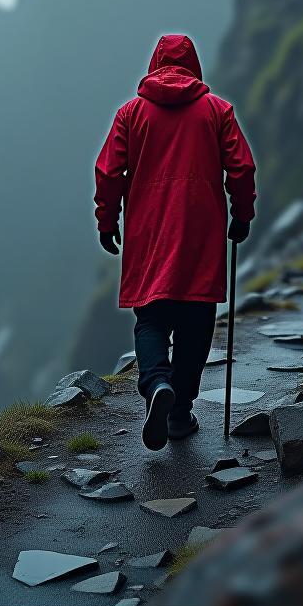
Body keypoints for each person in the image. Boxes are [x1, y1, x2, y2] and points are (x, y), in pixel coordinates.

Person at [94, 33, 257, 450]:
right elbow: (241, 168)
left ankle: (156, 385)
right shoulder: (217, 111)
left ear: (154, 65)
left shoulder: (131, 114)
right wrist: (242, 216)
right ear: (194, 66)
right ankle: (180, 412)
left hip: (149, 231)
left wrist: (107, 221)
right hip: (200, 229)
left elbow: (110, 173)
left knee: (150, 317)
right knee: (196, 321)